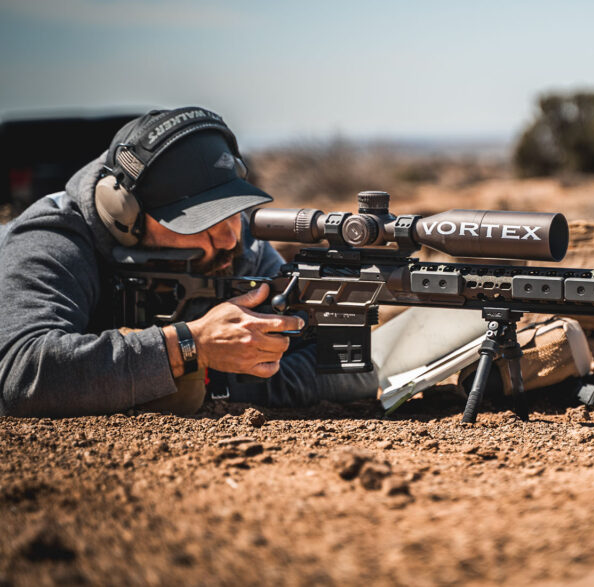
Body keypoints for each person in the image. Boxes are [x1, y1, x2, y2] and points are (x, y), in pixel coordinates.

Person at [0, 107, 378, 417]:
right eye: (201, 223)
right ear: (125, 214)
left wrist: (214, 376)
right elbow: (24, 375)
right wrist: (189, 347)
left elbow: (350, 372)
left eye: (234, 212)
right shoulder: (51, 241)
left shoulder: (238, 247)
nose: (230, 238)